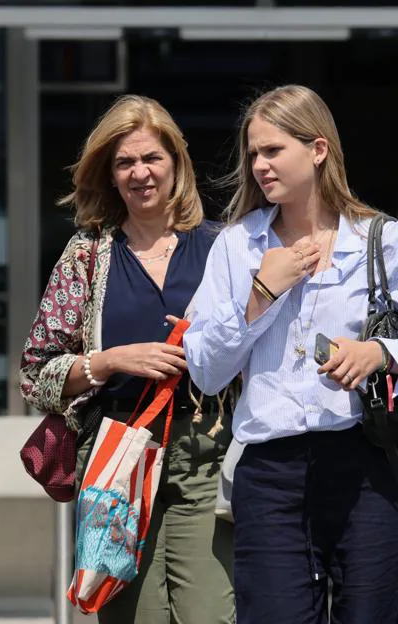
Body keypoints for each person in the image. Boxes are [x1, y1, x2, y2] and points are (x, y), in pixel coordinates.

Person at [183, 84, 398, 624]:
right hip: (268, 473)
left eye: (273, 150)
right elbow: (207, 373)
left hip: (366, 466)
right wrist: (260, 294)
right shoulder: (237, 246)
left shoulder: (382, 241)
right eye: (252, 152)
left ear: (318, 150)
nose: (258, 165)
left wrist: (380, 352)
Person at [20, 94, 234, 624]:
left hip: (206, 449)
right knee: (132, 615)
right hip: (117, 457)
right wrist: (111, 360)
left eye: (152, 159)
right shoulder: (88, 254)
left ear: (176, 164)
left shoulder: (221, 246)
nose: (140, 173)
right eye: (125, 163)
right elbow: (35, 375)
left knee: (209, 611)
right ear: (110, 175)